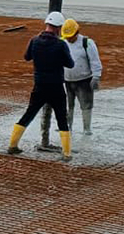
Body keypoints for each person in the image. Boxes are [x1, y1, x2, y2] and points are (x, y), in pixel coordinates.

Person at [7, 12, 75, 161]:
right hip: (56, 86)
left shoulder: (34, 40)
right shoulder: (61, 44)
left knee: (29, 114)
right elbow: (70, 64)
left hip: (39, 85)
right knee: (62, 118)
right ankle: (67, 153)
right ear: (58, 28)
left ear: (47, 24)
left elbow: (27, 57)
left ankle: (13, 145)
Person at [37, 17, 103, 151]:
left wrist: (96, 77)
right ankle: (68, 126)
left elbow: (95, 61)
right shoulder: (62, 42)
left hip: (84, 80)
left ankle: (86, 128)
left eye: (71, 36)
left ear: (77, 32)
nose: (69, 39)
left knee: (86, 104)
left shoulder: (87, 43)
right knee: (68, 105)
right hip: (67, 80)